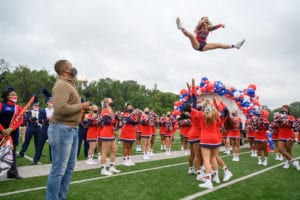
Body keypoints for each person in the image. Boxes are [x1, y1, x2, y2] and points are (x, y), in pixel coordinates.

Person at [46, 59, 90, 200]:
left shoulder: (69, 84)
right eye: (71, 66)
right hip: (62, 129)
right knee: (59, 170)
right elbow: (60, 109)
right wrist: (81, 106)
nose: (73, 68)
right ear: (65, 69)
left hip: (71, 129)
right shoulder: (61, 85)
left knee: (69, 169)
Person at [176, 17, 245, 52]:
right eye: (204, 19)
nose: (206, 20)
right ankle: (181, 27)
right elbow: (198, 27)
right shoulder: (199, 27)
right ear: (202, 21)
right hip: (197, 44)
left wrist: (221, 25)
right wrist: (202, 21)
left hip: (204, 45)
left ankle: (235, 46)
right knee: (191, 36)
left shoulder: (209, 29)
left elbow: (215, 27)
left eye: (207, 19)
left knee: (219, 45)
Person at [0, 86, 24, 179]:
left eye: (16, 95)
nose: (15, 96)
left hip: (12, 133)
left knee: (11, 152)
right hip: (1, 132)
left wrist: (11, 128)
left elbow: (20, 120)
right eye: (13, 95)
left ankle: (13, 172)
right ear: (7, 96)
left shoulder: (18, 107)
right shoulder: (1, 105)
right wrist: (2, 130)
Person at [32, 89, 54, 164]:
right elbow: (40, 120)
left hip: (53, 129)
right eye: (51, 102)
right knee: (40, 145)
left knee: (52, 145)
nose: (52, 103)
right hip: (44, 129)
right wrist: (49, 119)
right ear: (47, 103)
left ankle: (53, 159)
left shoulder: (56, 110)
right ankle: (35, 160)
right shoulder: (42, 111)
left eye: (53, 101)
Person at [99, 97, 121, 176]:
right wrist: (114, 120)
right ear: (107, 103)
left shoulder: (111, 111)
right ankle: (103, 169)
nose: (112, 102)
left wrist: (118, 121)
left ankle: (111, 167)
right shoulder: (105, 111)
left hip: (111, 133)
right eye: (111, 101)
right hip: (106, 133)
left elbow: (113, 122)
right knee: (105, 151)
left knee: (115, 149)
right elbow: (106, 122)